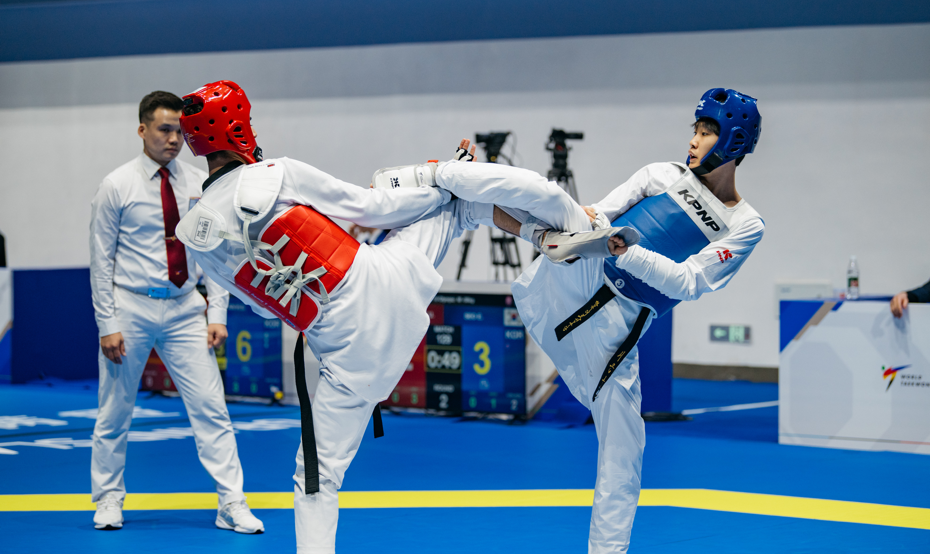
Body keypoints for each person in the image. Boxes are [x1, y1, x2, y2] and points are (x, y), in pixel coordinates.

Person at [173, 80, 622, 554]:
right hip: (386, 283)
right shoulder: (275, 173)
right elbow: (371, 208)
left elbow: (258, 303)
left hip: (346, 352)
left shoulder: (194, 234)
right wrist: (443, 186)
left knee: (317, 476)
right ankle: (542, 234)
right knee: (460, 200)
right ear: (238, 128)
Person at [379, 88, 765, 554]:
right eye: (696, 129)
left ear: (734, 141)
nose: (694, 140)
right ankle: (439, 178)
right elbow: (596, 215)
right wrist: (589, 231)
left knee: (626, 450)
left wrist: (626, 251)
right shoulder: (661, 174)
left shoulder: (745, 225)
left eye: (707, 132)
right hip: (580, 273)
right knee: (554, 199)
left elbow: (689, 282)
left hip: (617, 332)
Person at [89, 91, 263, 534]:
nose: (173, 139)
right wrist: (107, 323)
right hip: (130, 306)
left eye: (179, 132)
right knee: (114, 410)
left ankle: (232, 503)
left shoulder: (200, 184)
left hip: (186, 307)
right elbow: (100, 261)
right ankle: (108, 497)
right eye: (164, 130)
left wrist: (217, 313)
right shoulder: (116, 185)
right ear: (142, 129)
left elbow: (215, 253)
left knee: (212, 408)